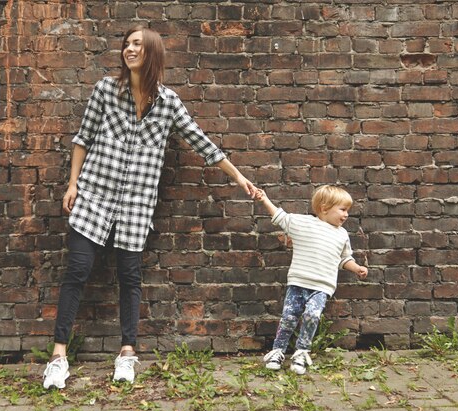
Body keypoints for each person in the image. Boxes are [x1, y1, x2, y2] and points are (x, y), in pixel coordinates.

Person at [42, 25, 256, 390]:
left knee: (130, 279)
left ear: (152, 51)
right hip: (93, 195)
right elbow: (83, 137)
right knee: (76, 272)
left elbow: (202, 143)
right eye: (126, 43)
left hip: (137, 206)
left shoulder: (169, 103)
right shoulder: (105, 91)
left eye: (137, 44)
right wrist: (72, 183)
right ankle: (58, 358)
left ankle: (127, 353)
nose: (129, 49)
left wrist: (239, 178)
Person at [255, 185, 368, 375]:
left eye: (347, 210)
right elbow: (280, 217)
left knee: (312, 316)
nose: (346, 215)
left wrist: (356, 268)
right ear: (324, 208)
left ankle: (301, 352)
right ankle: (277, 351)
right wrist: (264, 199)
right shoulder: (303, 223)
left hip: (321, 287)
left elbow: (344, 258)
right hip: (298, 283)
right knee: (289, 318)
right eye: (343, 209)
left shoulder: (341, 234)